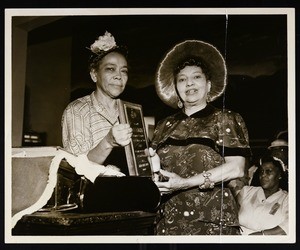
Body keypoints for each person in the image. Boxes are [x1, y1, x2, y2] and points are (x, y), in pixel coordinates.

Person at [149, 40, 251, 235]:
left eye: (196, 77)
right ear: (175, 87)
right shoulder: (164, 125)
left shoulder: (226, 119)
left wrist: (184, 183)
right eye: (181, 79)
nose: (189, 83)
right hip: (167, 222)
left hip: (212, 223)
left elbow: (236, 168)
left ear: (209, 84)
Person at [62, 31, 132, 174]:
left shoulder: (131, 111)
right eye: (110, 69)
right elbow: (76, 170)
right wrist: (108, 141)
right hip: (93, 194)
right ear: (94, 75)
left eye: (124, 71)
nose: (118, 76)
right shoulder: (77, 111)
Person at [237, 153, 288, 235]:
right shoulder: (246, 191)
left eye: (269, 171)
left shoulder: (287, 199)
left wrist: (262, 235)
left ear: (279, 175)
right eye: (261, 171)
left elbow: (289, 225)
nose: (263, 175)